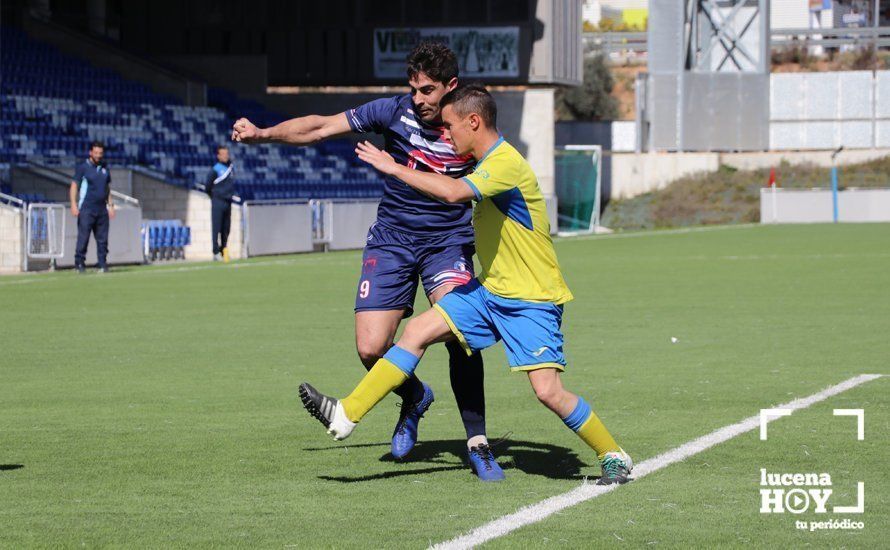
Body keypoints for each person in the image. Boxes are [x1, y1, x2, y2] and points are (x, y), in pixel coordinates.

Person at [299, 84, 634, 485]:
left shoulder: (505, 162)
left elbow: (455, 192)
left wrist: (393, 167)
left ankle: (612, 453)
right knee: (418, 330)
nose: (447, 135)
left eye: (452, 127)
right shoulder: (485, 161)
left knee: (548, 392)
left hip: (531, 299)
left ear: (473, 122)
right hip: (489, 292)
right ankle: (345, 415)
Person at [232, 42, 502, 480]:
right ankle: (414, 396)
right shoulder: (392, 111)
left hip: (447, 243)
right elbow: (321, 126)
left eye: (428, 90)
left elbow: (502, 172)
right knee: (371, 347)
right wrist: (263, 134)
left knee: (459, 332)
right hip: (392, 239)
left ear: (451, 86)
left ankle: (478, 442)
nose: (418, 99)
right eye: (413, 89)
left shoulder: (468, 124)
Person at [70, 141, 115, 273]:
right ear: (90, 153)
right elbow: (74, 186)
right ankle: (79, 263)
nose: (98, 156)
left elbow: (107, 188)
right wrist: (73, 204)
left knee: (103, 239)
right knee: (83, 238)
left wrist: (111, 205)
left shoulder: (105, 168)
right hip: (87, 209)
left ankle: (102, 263)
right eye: (96, 153)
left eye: (100, 153)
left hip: (102, 210)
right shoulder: (83, 168)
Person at [205, 145, 235, 262]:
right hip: (218, 201)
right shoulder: (215, 169)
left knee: (226, 228)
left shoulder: (231, 168)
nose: (226, 156)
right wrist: (214, 197)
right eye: (223, 154)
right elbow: (208, 186)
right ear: (218, 156)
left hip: (228, 202)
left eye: (227, 154)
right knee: (216, 227)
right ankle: (215, 251)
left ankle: (224, 250)